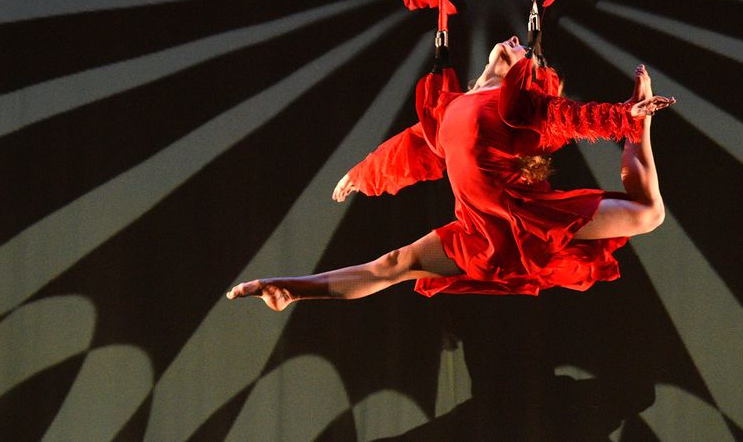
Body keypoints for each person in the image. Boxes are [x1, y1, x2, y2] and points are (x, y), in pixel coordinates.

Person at [227, 36, 674, 310]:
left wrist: (625, 115)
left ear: (526, 71)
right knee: (393, 265)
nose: (514, 40)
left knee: (650, 213)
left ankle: (641, 125)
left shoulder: (517, 105)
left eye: (521, 47)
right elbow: (410, 147)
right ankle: (289, 290)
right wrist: (363, 173)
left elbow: (567, 117)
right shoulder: (452, 107)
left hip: (525, 219)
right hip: (479, 232)